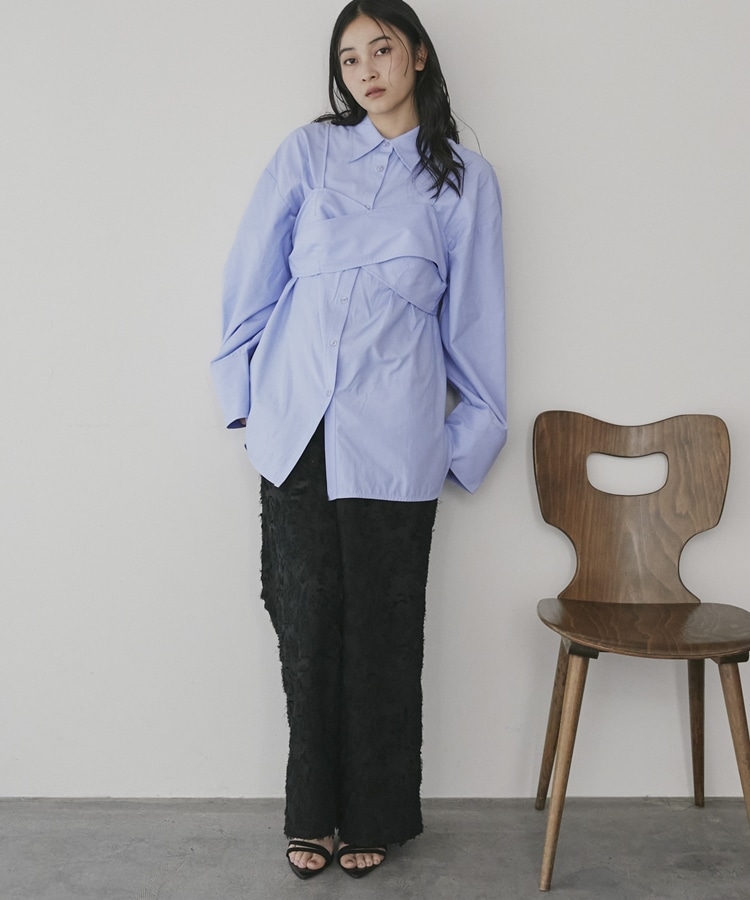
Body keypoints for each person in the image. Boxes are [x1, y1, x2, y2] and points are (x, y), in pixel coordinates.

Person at [211, 0, 506, 881]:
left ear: (418, 55)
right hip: (296, 431)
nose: (367, 70)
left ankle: (375, 814)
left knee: (382, 634)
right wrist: (243, 402)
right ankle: (312, 814)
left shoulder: (466, 181)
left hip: (395, 441)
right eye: (349, 59)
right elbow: (251, 279)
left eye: (382, 49)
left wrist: (462, 442)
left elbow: (477, 323)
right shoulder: (308, 154)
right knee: (305, 629)